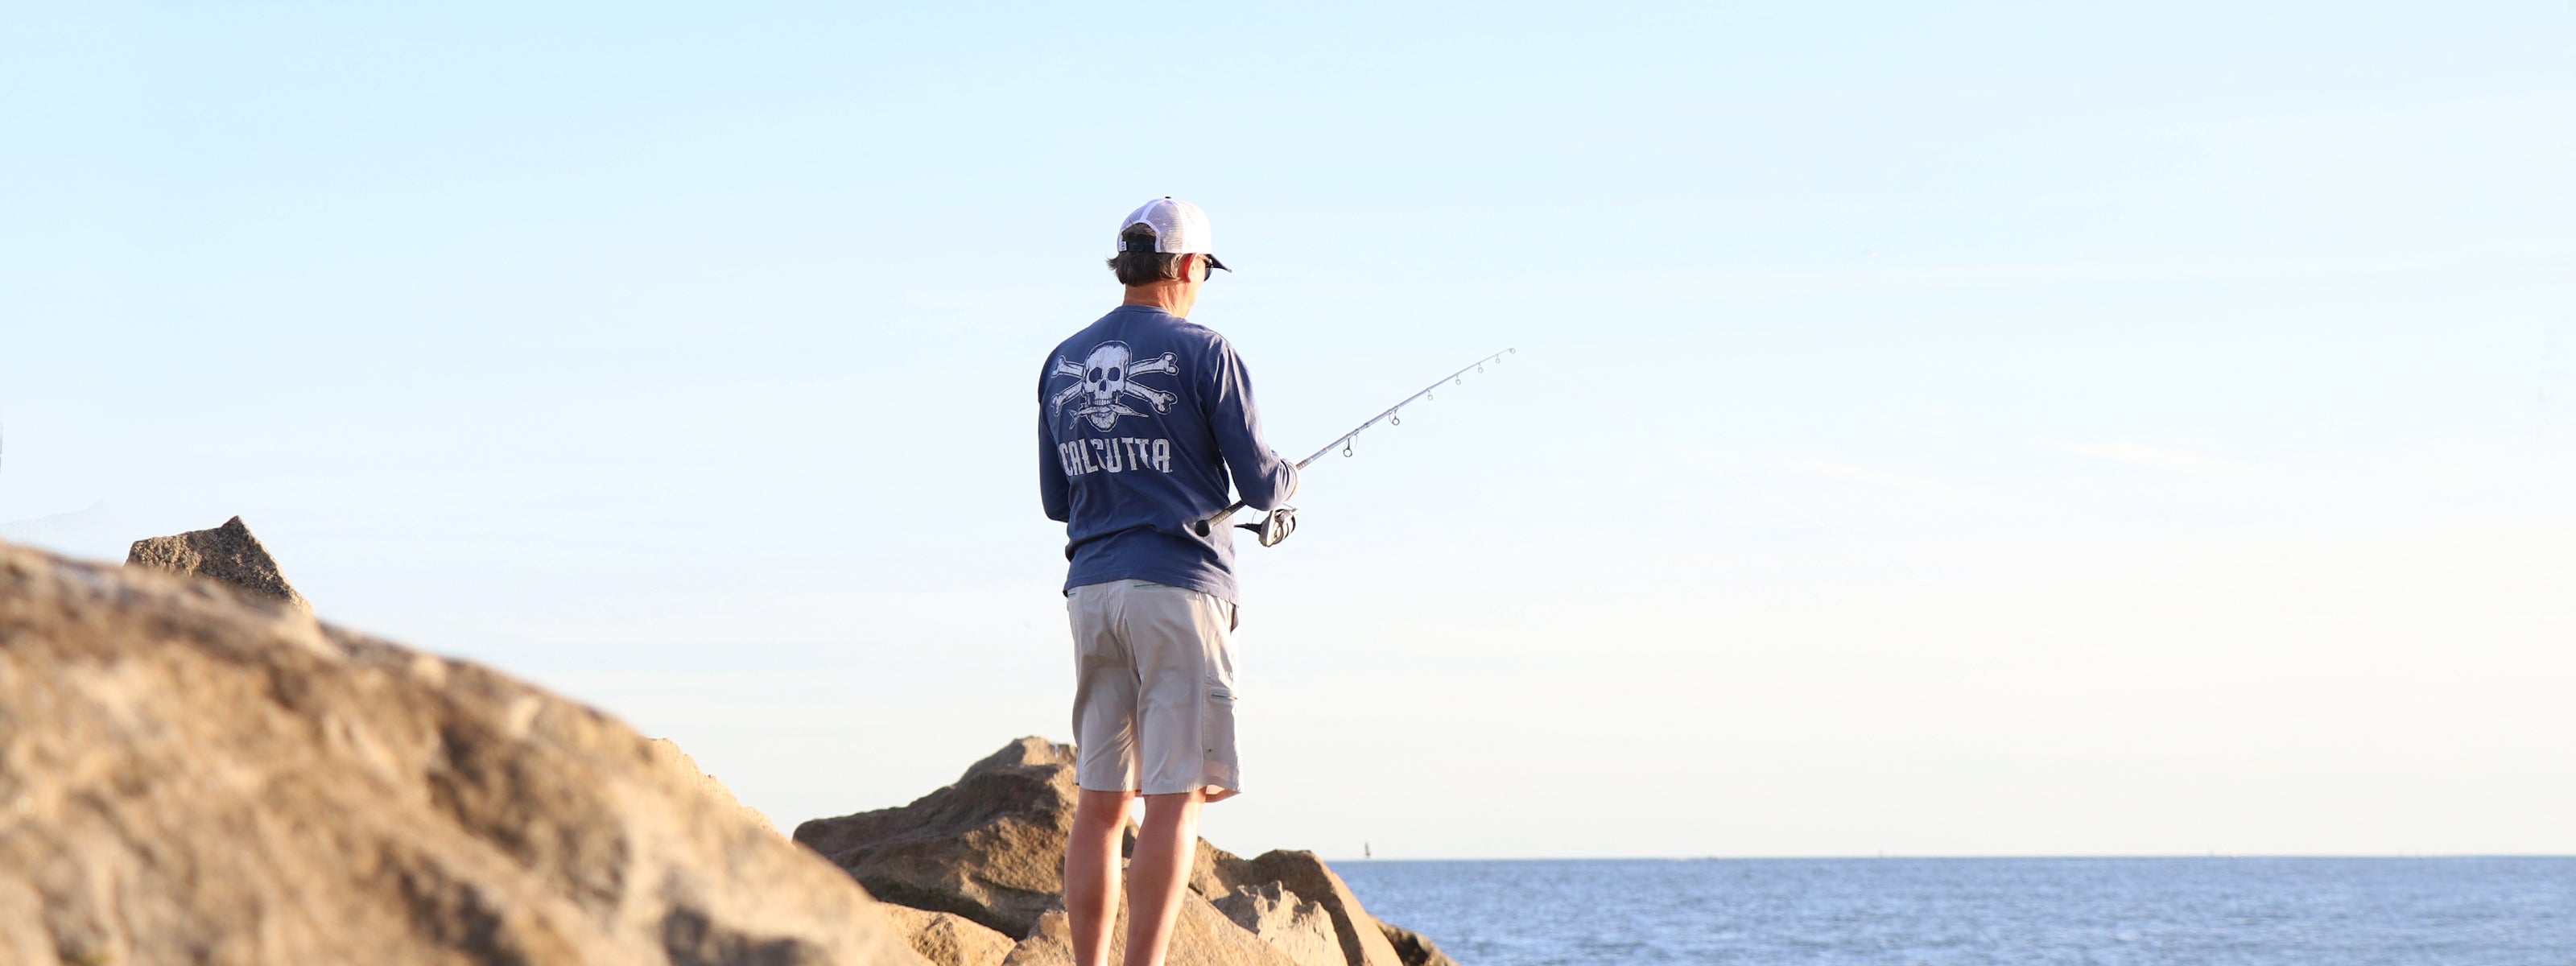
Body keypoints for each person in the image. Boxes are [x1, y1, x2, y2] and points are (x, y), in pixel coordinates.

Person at [1037, 196, 1298, 966]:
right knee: (1173, 800)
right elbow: (1260, 482)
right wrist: (1285, 490)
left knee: (1099, 805)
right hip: (1180, 593)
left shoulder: (1061, 362)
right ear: (1187, 266)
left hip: (1091, 596)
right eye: (1204, 271)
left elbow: (1058, 502)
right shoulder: (1205, 352)